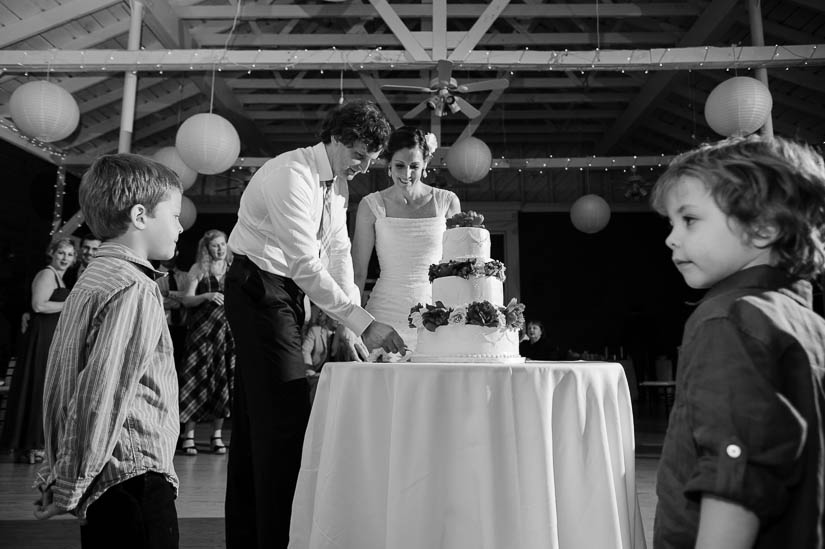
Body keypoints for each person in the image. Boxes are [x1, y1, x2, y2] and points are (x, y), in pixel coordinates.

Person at [223, 99, 404, 549]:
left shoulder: (337, 185)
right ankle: (281, 536)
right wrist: (364, 323)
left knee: (254, 421)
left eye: (372, 159)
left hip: (284, 292)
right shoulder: (292, 176)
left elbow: (338, 253)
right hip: (256, 288)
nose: (365, 166)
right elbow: (305, 264)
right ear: (338, 139)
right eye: (361, 155)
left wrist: (346, 323)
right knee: (285, 417)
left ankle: (251, 536)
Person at [650, 135, 825, 549]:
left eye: (689, 220)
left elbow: (736, 476)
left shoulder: (727, 320)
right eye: (671, 224)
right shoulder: (811, 325)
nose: (671, 239)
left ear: (764, 227)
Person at [33, 153, 183, 549]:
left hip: (101, 474)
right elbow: (103, 391)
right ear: (139, 215)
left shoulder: (90, 280)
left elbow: (64, 385)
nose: (181, 227)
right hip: (133, 473)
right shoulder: (134, 286)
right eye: (174, 215)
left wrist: (58, 467)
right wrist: (68, 480)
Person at [351, 125, 460, 357]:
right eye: (400, 165)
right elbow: (358, 271)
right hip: (382, 317)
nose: (407, 173)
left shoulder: (447, 202)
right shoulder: (370, 205)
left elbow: (457, 269)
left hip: (436, 319)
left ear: (426, 164)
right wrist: (353, 324)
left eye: (414, 166)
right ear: (388, 164)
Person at [0, 238, 75, 464]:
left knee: (43, 388)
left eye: (70, 254)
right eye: (61, 253)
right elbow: (38, 305)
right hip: (40, 337)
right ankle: (31, 444)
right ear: (51, 253)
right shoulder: (46, 274)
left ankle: (33, 445)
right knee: (37, 387)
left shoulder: (59, 278)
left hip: (49, 337)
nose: (65, 258)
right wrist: (70, 304)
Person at [175, 229, 235, 455]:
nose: (220, 249)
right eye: (215, 246)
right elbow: (187, 300)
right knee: (196, 379)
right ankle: (188, 435)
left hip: (225, 334)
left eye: (223, 244)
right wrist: (206, 296)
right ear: (206, 248)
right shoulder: (198, 269)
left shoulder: (232, 269)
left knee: (221, 383)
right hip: (201, 334)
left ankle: (216, 435)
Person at [302, 302, 336, 403]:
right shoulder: (315, 331)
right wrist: (310, 372)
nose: (339, 320)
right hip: (316, 373)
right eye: (336, 317)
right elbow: (305, 351)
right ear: (328, 316)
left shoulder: (343, 336)